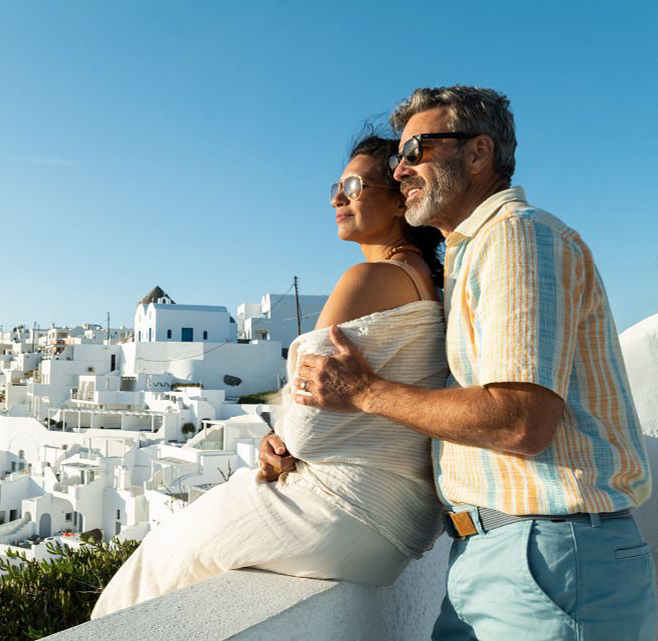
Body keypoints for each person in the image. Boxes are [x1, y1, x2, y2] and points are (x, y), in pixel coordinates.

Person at [292, 86, 656, 641]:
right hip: (498, 555)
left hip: (546, 556)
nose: (401, 169)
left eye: (415, 151)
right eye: (396, 159)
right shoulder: (471, 253)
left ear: (479, 153)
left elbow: (519, 420)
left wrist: (364, 392)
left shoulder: (517, 235)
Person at [92, 134, 448, 619]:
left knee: (149, 569)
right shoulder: (424, 280)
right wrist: (282, 440)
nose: (336, 198)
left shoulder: (369, 279)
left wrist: (286, 441)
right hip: (398, 525)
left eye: (353, 185)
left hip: (343, 509)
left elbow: (307, 424)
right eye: (334, 187)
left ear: (399, 196)